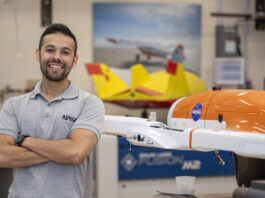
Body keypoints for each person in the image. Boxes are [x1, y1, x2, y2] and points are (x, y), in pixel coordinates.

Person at [0, 23, 105, 198]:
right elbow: (2, 156)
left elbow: (75, 153)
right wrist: (61, 150)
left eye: (65, 52)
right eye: (50, 50)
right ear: (38, 54)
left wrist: (25, 141)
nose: (56, 57)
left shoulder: (89, 104)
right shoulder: (14, 105)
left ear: (75, 59)